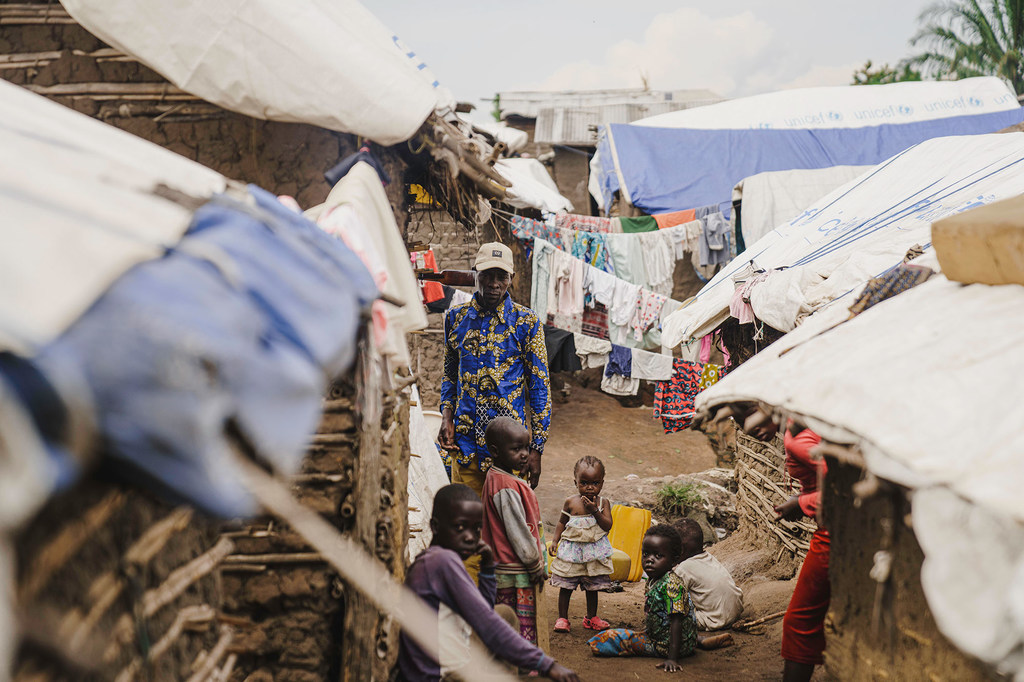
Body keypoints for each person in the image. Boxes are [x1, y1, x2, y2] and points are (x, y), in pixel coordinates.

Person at [398, 484, 580, 682]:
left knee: (504, 614)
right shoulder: (442, 562)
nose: (470, 537)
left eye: (476, 529)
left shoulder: (441, 558)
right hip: (440, 675)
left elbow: (485, 609)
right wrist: (547, 664)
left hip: (451, 655)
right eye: (460, 527)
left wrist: (486, 567)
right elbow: (486, 622)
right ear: (435, 527)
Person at [437, 242, 550, 495]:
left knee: (504, 526)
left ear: (512, 278)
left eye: (502, 276)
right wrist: (446, 416)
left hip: (508, 454)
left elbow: (539, 387)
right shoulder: (456, 318)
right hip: (464, 449)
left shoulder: (527, 323)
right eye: (487, 275)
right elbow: (449, 374)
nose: (494, 283)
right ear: (475, 273)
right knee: (468, 523)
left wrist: (537, 449)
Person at [743, 406, 828, 682]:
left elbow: (843, 489)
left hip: (834, 534)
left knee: (798, 621)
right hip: (831, 530)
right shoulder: (801, 427)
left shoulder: (797, 439)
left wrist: (802, 503)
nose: (746, 427)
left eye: (748, 413)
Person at [480, 417, 549, 654]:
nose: (524, 455)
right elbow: (517, 530)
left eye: (526, 448)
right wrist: (533, 564)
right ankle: (520, 662)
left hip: (503, 566)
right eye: (516, 449)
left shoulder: (496, 477)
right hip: (515, 568)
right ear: (495, 452)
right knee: (518, 620)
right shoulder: (506, 486)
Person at [587, 525, 697, 672]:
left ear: (674, 560)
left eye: (658, 556)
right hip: (670, 639)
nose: (649, 560)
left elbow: (676, 622)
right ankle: (697, 642)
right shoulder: (654, 579)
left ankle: (686, 646)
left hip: (666, 647)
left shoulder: (672, 585)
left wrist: (672, 658)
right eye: (646, 554)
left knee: (611, 637)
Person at [548, 455, 614, 634]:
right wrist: (555, 540)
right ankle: (563, 618)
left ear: (602, 483)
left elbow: (607, 525)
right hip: (572, 554)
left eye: (595, 483)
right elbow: (561, 522)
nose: (590, 488)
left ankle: (591, 617)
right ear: (575, 482)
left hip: (593, 555)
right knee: (566, 585)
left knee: (592, 586)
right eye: (584, 483)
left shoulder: (602, 503)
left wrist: (595, 511)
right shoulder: (571, 502)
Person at [672, 519, 739, 650]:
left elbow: (673, 596)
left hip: (713, 619)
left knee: (671, 617)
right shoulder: (709, 558)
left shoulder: (684, 568)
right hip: (735, 613)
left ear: (680, 550)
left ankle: (696, 640)